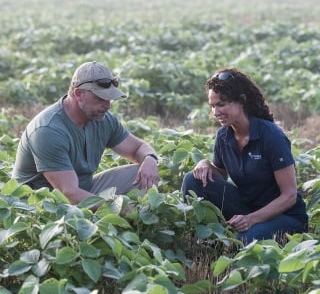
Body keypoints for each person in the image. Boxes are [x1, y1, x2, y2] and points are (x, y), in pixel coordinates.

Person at [181, 67, 308, 244]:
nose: (215, 112)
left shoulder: (271, 136)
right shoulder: (224, 135)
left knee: (245, 241)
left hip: (285, 215)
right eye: (212, 106)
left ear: (242, 100)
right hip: (248, 207)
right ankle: (202, 239)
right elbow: (221, 174)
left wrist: (251, 219)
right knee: (192, 180)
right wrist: (204, 163)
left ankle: (241, 235)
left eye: (221, 104)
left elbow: (289, 196)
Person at [12, 61, 159, 206]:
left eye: (109, 98)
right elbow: (69, 193)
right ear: (78, 94)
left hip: (84, 191)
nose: (107, 105)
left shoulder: (102, 119)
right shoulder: (48, 130)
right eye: (100, 98)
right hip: (43, 206)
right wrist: (116, 209)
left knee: (143, 175)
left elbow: (137, 148)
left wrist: (150, 159)